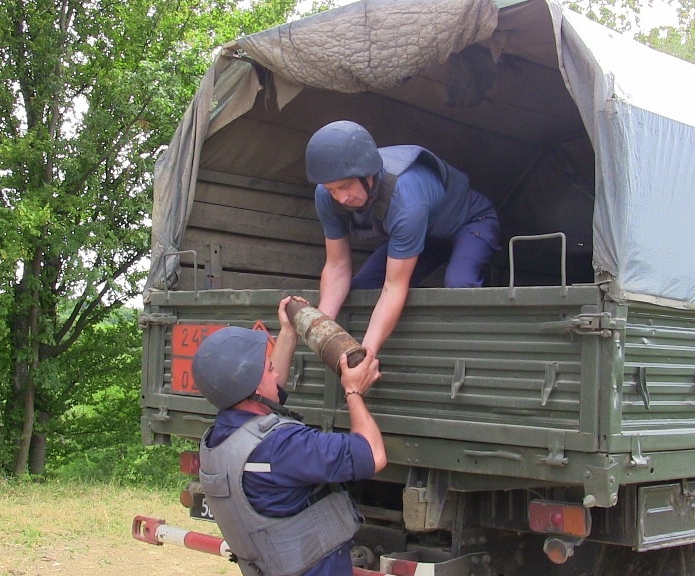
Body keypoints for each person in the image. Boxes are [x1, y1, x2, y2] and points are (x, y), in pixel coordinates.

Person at [193, 296, 384, 576]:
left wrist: (288, 332)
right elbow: (373, 454)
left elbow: (268, 393)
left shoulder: (220, 439)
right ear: (253, 385)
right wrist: (353, 390)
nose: (275, 371)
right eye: (269, 368)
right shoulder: (284, 447)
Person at [306, 120, 502, 357]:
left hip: (470, 222)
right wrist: (320, 331)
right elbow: (337, 265)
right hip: (425, 237)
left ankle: (478, 355)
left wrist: (366, 354)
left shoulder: (406, 197)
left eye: (345, 186)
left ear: (367, 174)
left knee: (460, 285)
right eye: (332, 189)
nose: (341, 198)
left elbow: (393, 287)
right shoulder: (326, 197)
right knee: (361, 290)